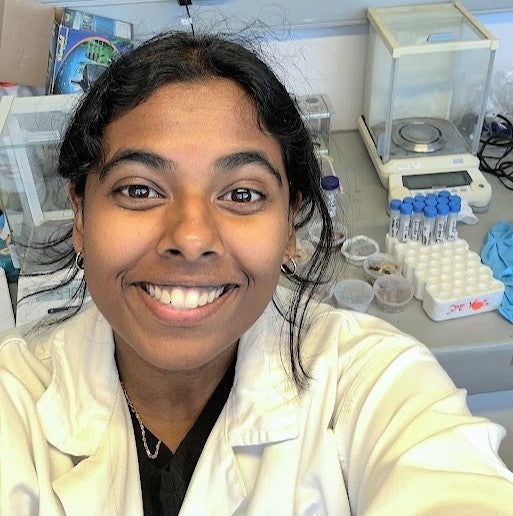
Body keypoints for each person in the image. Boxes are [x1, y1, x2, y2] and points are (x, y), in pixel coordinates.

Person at [0, 31, 512, 515]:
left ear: (291, 224)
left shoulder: (372, 379)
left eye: (242, 194)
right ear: (80, 218)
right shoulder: (14, 399)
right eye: (139, 189)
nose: (192, 238)